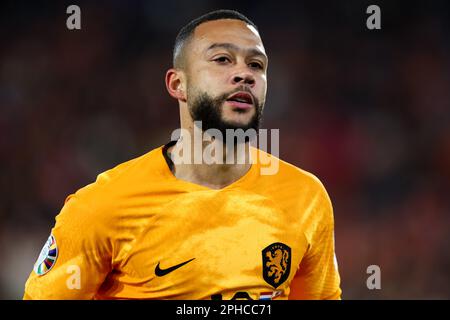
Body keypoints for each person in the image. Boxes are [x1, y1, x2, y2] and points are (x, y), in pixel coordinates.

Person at [23, 9, 341, 300]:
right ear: (178, 84)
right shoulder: (102, 207)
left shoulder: (306, 198)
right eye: (222, 60)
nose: (245, 74)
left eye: (256, 65)